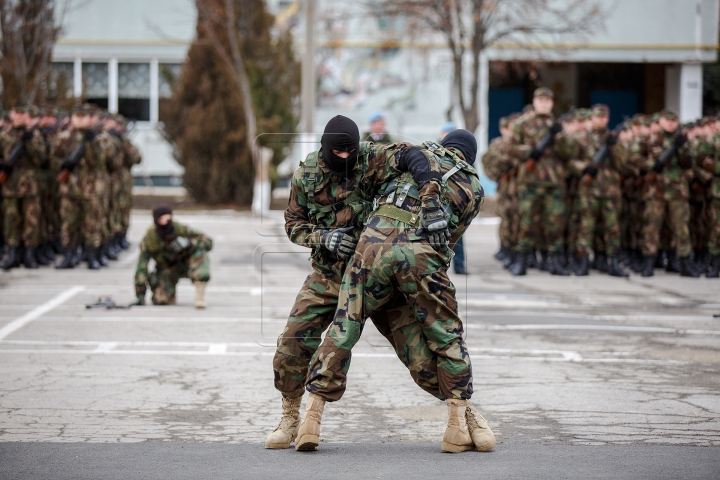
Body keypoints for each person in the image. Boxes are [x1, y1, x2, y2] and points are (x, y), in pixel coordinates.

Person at [297, 130, 494, 453]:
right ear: (468, 158)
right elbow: (446, 244)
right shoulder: (473, 187)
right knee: (446, 336)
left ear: (445, 146)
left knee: (344, 328)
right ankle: (457, 427)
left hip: (371, 247)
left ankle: (311, 419)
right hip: (419, 257)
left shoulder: (416, 159)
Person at [267, 115, 443, 450]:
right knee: (291, 344)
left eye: (350, 152)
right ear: (325, 148)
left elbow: (413, 155)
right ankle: (291, 417)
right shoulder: (307, 175)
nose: (346, 159)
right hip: (329, 276)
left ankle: (462, 410)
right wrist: (324, 237)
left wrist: (430, 197)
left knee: (422, 358)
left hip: (374, 278)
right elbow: (293, 224)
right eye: (338, 153)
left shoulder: (370, 156)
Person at [507, 87, 571, 276]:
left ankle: (555, 262)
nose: (544, 103)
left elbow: (569, 153)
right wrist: (529, 151)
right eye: (540, 100)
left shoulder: (558, 126)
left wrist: (559, 138)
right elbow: (509, 147)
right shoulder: (522, 123)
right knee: (527, 223)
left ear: (552, 103)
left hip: (554, 182)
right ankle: (521, 261)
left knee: (555, 224)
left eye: (547, 100)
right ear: (534, 102)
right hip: (530, 181)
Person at [637, 109, 697, 277]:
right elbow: (635, 157)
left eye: (673, 121)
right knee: (652, 226)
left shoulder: (682, 141)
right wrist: (651, 164)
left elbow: (688, 163)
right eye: (667, 120)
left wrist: (682, 149)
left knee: (681, 228)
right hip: (655, 190)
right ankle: (649, 262)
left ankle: (685, 262)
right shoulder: (650, 138)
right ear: (661, 121)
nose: (671, 123)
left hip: (677, 191)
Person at [133, 204, 212, 308]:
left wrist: (189, 242)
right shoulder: (150, 239)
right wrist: (140, 295)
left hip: (186, 265)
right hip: (167, 270)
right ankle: (169, 294)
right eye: (162, 218)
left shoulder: (181, 230)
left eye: (168, 217)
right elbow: (141, 267)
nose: (166, 222)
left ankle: (199, 297)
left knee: (200, 254)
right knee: (161, 300)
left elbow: (208, 242)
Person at [0, 107, 47, 270]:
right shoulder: (4, 135)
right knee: (11, 221)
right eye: (16, 113)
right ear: (11, 115)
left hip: (30, 186)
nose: (19, 117)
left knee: (31, 221)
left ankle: (29, 254)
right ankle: (12, 253)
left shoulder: (35, 136)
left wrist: (30, 142)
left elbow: (41, 159)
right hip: (10, 185)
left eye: (23, 114)